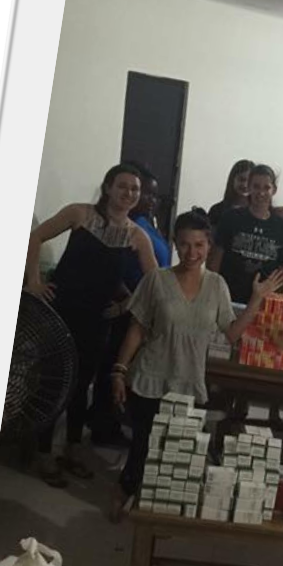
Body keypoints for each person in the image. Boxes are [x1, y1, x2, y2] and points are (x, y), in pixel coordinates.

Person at [109, 210, 283, 519]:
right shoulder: (157, 280)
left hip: (188, 381)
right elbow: (136, 328)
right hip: (151, 376)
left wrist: (257, 299)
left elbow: (231, 334)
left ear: (209, 246)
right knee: (142, 446)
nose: (192, 253)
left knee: (176, 450)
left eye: (199, 245)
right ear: (176, 245)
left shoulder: (217, 285)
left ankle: (158, 506)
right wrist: (119, 369)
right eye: (185, 245)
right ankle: (125, 492)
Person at [24, 164, 158, 486]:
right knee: (52, 381)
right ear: (108, 187)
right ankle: (42, 453)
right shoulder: (79, 214)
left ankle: (71, 449)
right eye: (123, 186)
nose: (129, 194)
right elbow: (36, 236)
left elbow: (155, 282)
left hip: (97, 320)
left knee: (81, 385)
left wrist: (126, 304)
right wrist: (34, 282)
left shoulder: (137, 236)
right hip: (60, 312)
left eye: (135, 190)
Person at [90, 161, 171, 443]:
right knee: (112, 366)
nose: (147, 199)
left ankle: (112, 420)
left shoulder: (147, 225)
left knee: (124, 367)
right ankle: (102, 425)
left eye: (150, 194)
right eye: (144, 192)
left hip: (144, 307)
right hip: (128, 307)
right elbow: (115, 270)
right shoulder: (125, 227)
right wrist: (128, 300)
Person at [209, 164, 283, 304]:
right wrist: (211, 294)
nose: (261, 193)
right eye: (256, 186)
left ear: (274, 190)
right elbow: (215, 260)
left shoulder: (282, 228)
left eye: (266, 187)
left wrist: (282, 303)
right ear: (249, 188)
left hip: (263, 304)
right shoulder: (230, 218)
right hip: (228, 299)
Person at [207, 160, 253, 230]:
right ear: (232, 180)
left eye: (249, 181)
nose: (245, 185)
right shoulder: (217, 210)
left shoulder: (259, 212)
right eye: (241, 179)